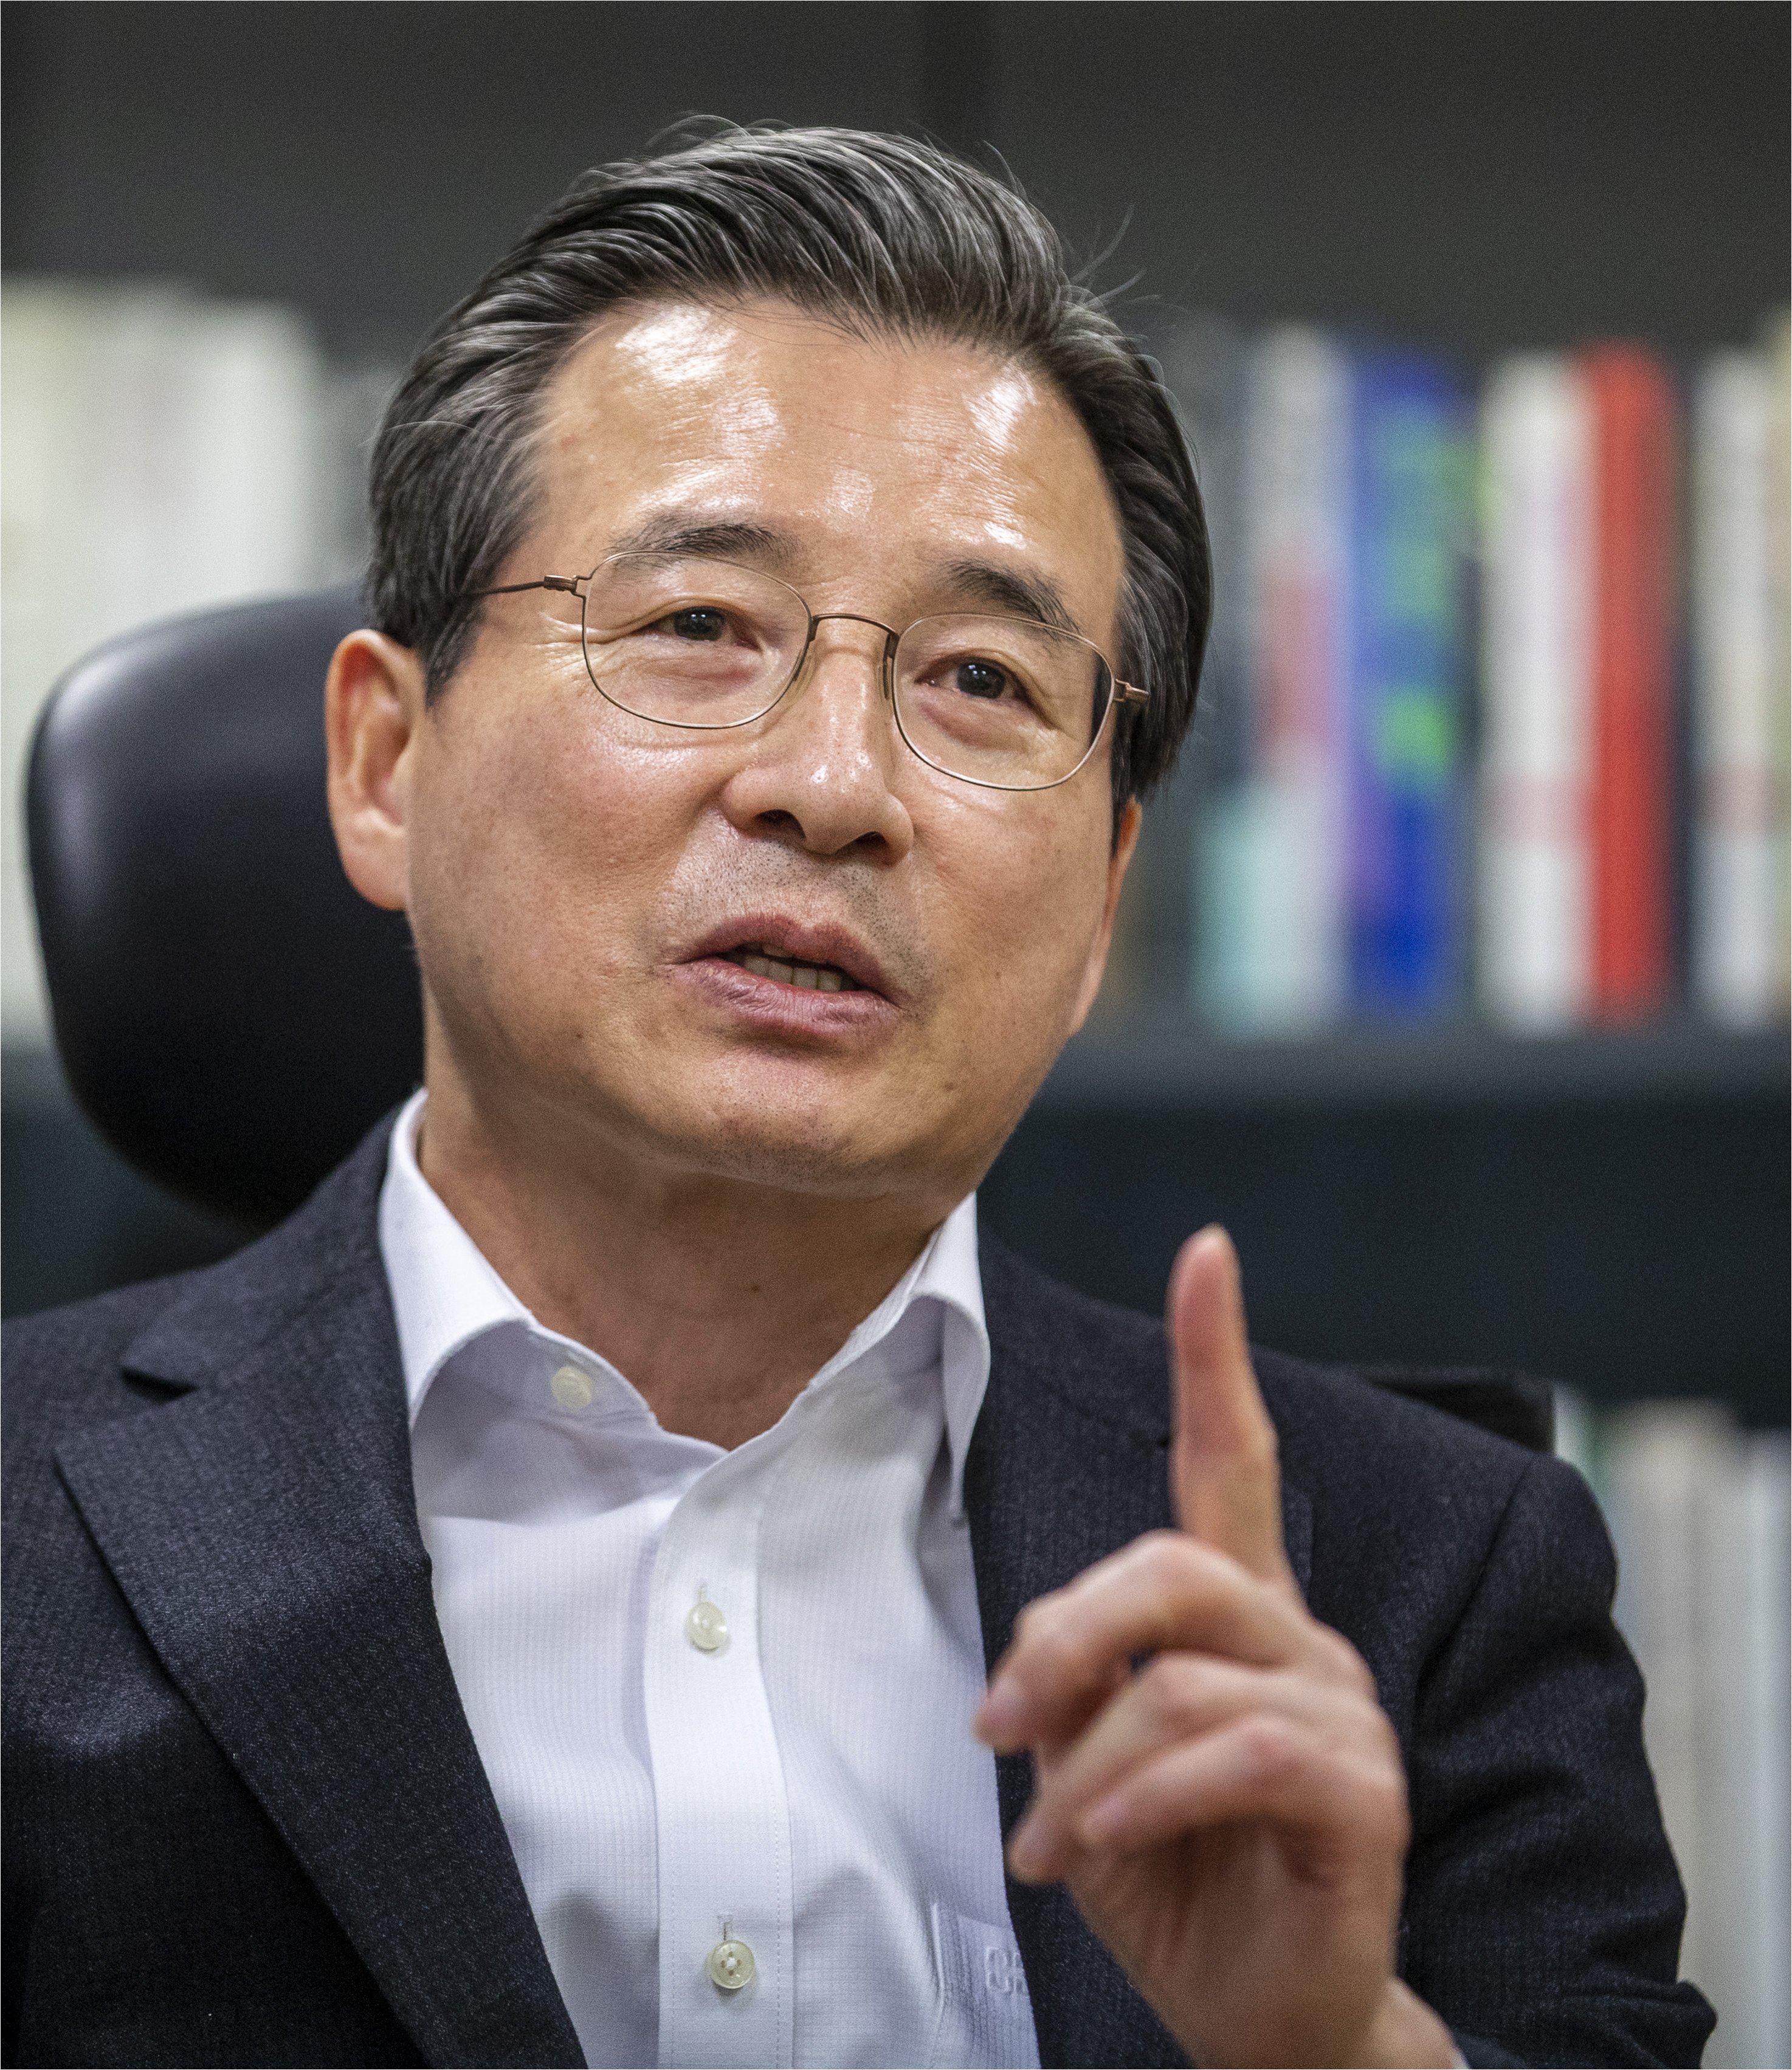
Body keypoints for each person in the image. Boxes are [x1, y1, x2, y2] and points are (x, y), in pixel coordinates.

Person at [2, 127, 1711, 2070]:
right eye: (696, 628)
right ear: (386, 762)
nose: (832, 786)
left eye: (981, 681)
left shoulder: (1423, 1586)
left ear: (1102, 903)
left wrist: (1331, 2052)